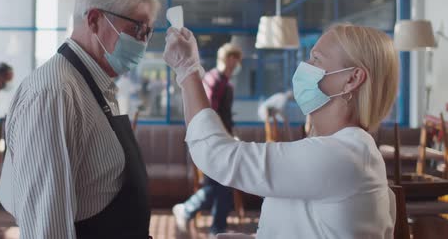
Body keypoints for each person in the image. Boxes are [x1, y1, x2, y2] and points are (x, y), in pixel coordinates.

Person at [163, 24, 398, 238]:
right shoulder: (343, 150)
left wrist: (187, 69)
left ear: (352, 79)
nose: (304, 67)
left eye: (316, 59)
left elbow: (218, 155)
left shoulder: (343, 156)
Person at [0, 0, 160, 239]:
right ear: (95, 20)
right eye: (137, 29)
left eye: (148, 32)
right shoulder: (54, 93)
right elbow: (47, 230)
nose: (142, 42)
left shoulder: (98, 86)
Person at [172, 42, 242, 235]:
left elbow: (223, 115)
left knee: (222, 185)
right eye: (235, 59)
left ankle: (215, 228)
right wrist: (221, 137)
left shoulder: (223, 82)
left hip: (218, 139)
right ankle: (190, 212)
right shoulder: (216, 82)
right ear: (228, 59)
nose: (236, 64)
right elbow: (209, 113)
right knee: (220, 186)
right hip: (212, 140)